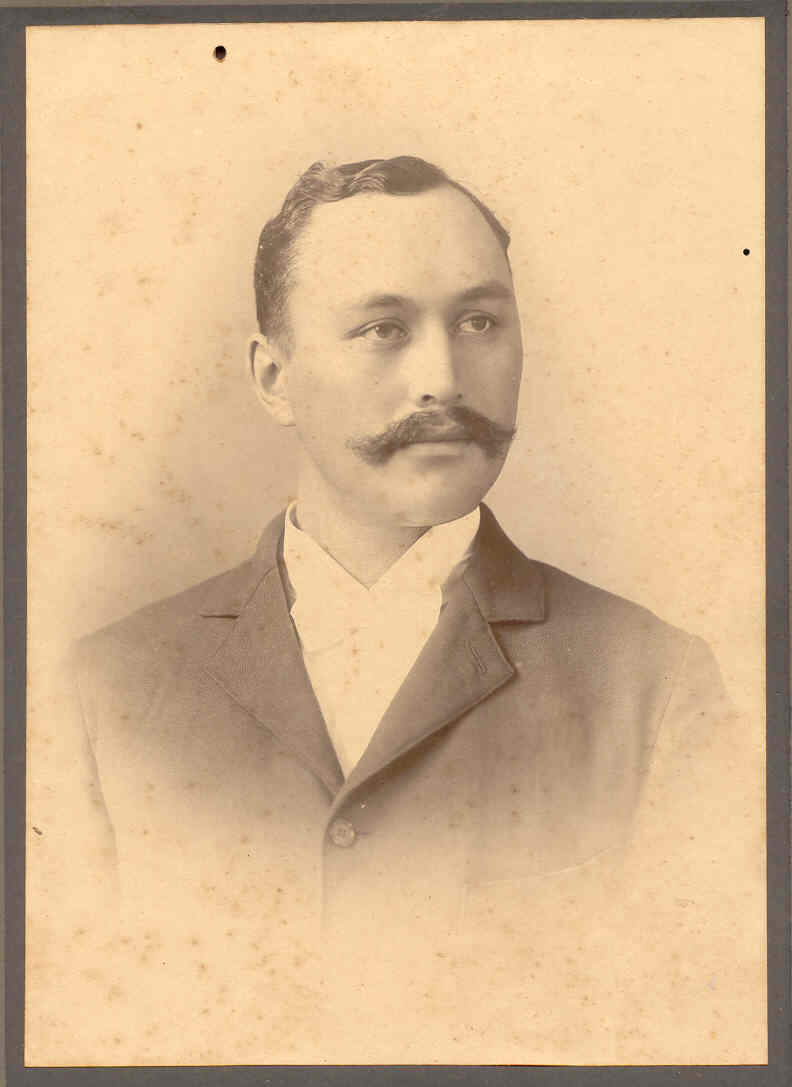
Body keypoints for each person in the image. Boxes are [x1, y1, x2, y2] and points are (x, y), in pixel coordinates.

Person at [28, 157, 756, 1065]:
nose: (444, 378)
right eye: (384, 328)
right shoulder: (103, 692)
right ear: (273, 377)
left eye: (480, 321)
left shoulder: (657, 685)